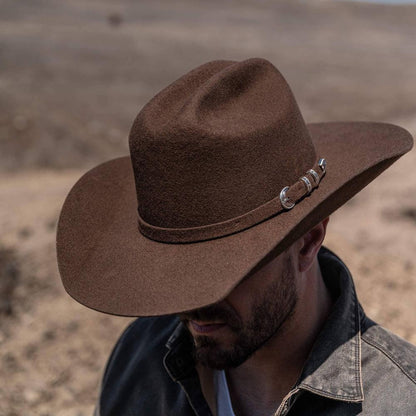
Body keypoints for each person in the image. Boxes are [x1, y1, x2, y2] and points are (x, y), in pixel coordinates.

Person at [56, 58, 416, 416]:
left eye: (220, 269)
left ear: (307, 241)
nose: (191, 303)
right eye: (172, 270)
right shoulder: (138, 360)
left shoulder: (399, 401)